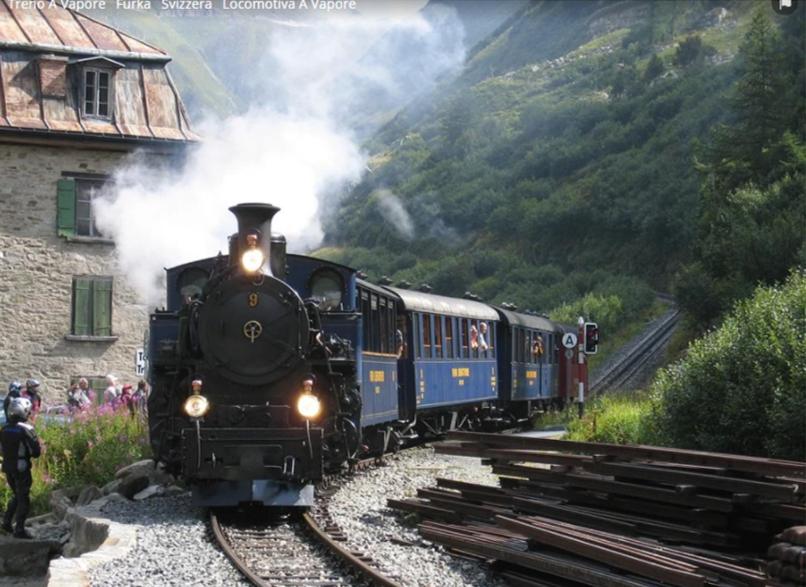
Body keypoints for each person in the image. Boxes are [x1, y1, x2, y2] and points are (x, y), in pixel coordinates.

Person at [1, 397, 41, 539]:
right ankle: (19, 530)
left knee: (17, 495)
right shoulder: (27, 429)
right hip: (21, 468)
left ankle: (6, 522)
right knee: (24, 498)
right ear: (24, 412)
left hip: (7, 467)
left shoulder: (4, 428)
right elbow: (36, 452)